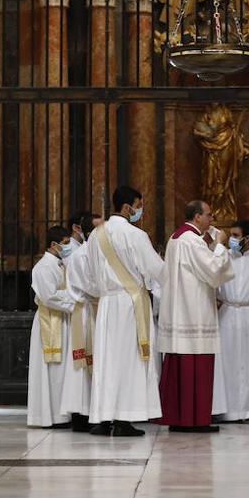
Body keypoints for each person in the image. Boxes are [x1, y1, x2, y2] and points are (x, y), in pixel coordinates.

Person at [72, 185, 165, 436]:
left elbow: (88, 276)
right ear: (128, 207)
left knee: (106, 360)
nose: (139, 211)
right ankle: (124, 419)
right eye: (138, 205)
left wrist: (104, 291)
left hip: (106, 305)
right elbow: (156, 270)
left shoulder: (96, 236)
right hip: (130, 304)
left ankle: (103, 418)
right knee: (130, 359)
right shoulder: (136, 236)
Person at [155, 200, 234, 432]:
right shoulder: (192, 240)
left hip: (180, 312)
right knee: (196, 367)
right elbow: (213, 270)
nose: (212, 219)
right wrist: (219, 245)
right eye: (209, 215)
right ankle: (195, 420)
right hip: (194, 313)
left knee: (182, 368)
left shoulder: (176, 237)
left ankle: (180, 418)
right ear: (197, 217)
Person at [27, 225, 77, 428]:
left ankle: (61, 414)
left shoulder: (60, 264)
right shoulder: (42, 267)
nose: (68, 247)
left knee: (62, 369)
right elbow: (49, 296)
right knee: (51, 370)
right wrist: (75, 301)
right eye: (65, 243)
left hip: (63, 320)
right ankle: (50, 416)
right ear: (53, 244)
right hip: (49, 321)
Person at [212, 219, 249, 422]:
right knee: (228, 363)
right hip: (229, 313)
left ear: (247, 238)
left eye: (235, 235)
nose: (231, 240)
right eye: (230, 235)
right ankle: (229, 409)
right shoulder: (226, 257)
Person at [61, 212, 104, 432]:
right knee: (82, 365)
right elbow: (90, 285)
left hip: (98, 310)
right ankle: (81, 412)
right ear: (88, 232)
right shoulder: (81, 256)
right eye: (99, 229)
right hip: (87, 312)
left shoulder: (99, 253)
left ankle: (96, 410)